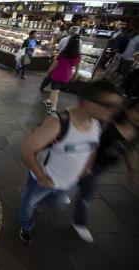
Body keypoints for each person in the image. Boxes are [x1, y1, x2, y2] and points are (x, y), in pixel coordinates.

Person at [19, 80, 124, 245]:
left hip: (68, 181)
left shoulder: (96, 123)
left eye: (116, 106)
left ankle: (33, 198)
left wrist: (88, 165)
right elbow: (27, 150)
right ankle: (26, 226)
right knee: (29, 203)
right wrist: (41, 177)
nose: (114, 111)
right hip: (45, 178)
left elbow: (93, 145)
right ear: (89, 103)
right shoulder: (58, 123)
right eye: (109, 105)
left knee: (55, 203)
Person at [73, 100, 139, 243]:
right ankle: (79, 222)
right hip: (87, 162)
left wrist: (132, 172)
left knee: (74, 184)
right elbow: (91, 142)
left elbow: (130, 151)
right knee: (86, 194)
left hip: (101, 168)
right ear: (128, 111)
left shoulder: (135, 133)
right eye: (137, 111)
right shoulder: (108, 124)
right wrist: (88, 165)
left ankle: (56, 191)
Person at [42, 35, 81, 114]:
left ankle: (53, 108)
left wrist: (48, 71)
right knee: (56, 89)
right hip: (66, 76)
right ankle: (49, 101)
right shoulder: (77, 55)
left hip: (57, 74)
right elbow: (78, 67)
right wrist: (75, 75)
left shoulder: (63, 52)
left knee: (55, 91)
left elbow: (54, 64)